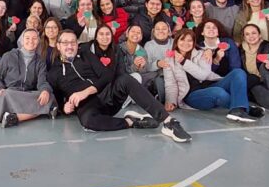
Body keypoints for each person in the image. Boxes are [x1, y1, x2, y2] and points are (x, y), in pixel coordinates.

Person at [48, 29, 191, 142]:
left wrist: (86, 91)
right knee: (88, 122)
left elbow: (106, 75)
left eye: (73, 42)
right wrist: (64, 108)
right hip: (88, 107)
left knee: (126, 79)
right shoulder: (54, 73)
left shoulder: (86, 55)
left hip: (107, 96)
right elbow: (58, 100)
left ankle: (168, 122)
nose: (70, 46)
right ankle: (131, 122)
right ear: (58, 45)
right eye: (65, 43)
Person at [162, 28, 260, 123]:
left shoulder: (202, 54)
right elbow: (170, 84)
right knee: (219, 92)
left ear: (193, 42)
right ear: (176, 41)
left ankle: (238, 110)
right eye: (182, 40)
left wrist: (184, 61)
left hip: (211, 84)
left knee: (238, 72)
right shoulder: (169, 61)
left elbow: (203, 75)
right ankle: (245, 108)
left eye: (189, 40)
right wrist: (171, 101)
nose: (186, 43)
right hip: (191, 96)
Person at [0, 28, 55, 128]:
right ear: (22, 40)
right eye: (27, 38)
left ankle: (14, 117)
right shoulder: (8, 56)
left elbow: (42, 81)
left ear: (38, 41)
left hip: (27, 94)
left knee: (49, 96)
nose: (31, 41)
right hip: (12, 94)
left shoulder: (40, 61)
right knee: (6, 94)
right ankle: (44, 111)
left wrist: (45, 90)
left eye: (34, 38)